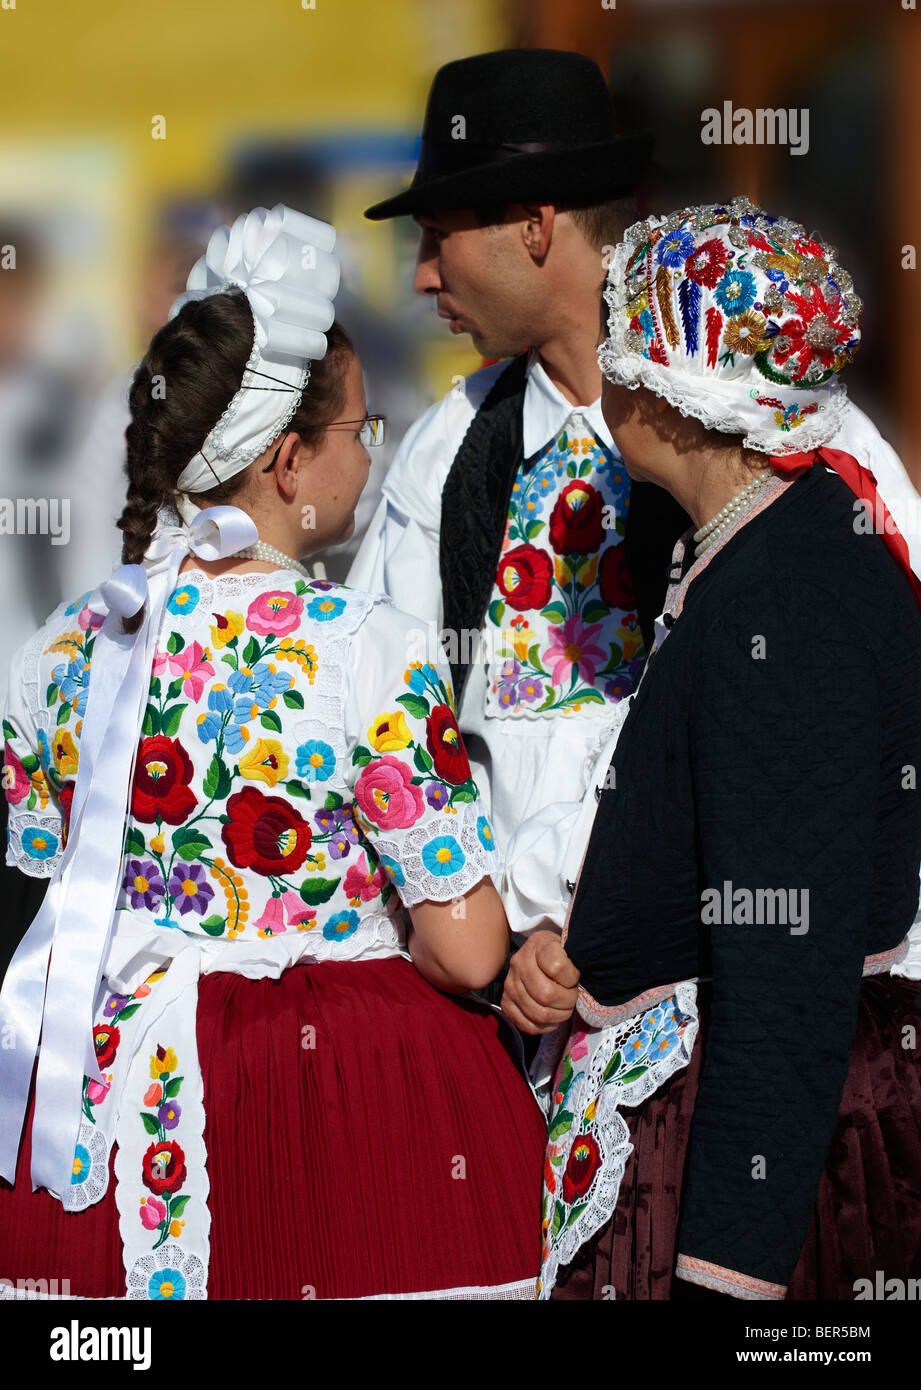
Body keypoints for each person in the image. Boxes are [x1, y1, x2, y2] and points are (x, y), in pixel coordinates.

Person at [0, 205, 546, 1301]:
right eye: (359, 428)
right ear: (291, 460)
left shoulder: (63, 648)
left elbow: (39, 886)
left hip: (107, 1104)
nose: (370, 447)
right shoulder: (363, 650)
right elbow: (470, 948)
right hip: (331, 1106)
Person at [501, 196, 921, 1300]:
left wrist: (725, 1272)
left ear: (675, 395)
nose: (610, 383)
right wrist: (593, 930)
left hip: (748, 1142)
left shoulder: (784, 595)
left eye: (625, 354)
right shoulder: (776, 541)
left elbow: (785, 963)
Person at [349, 49, 691, 871]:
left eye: (436, 237)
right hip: (501, 972)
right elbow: (372, 718)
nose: (425, 276)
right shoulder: (452, 447)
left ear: (535, 226)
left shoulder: (739, 418)